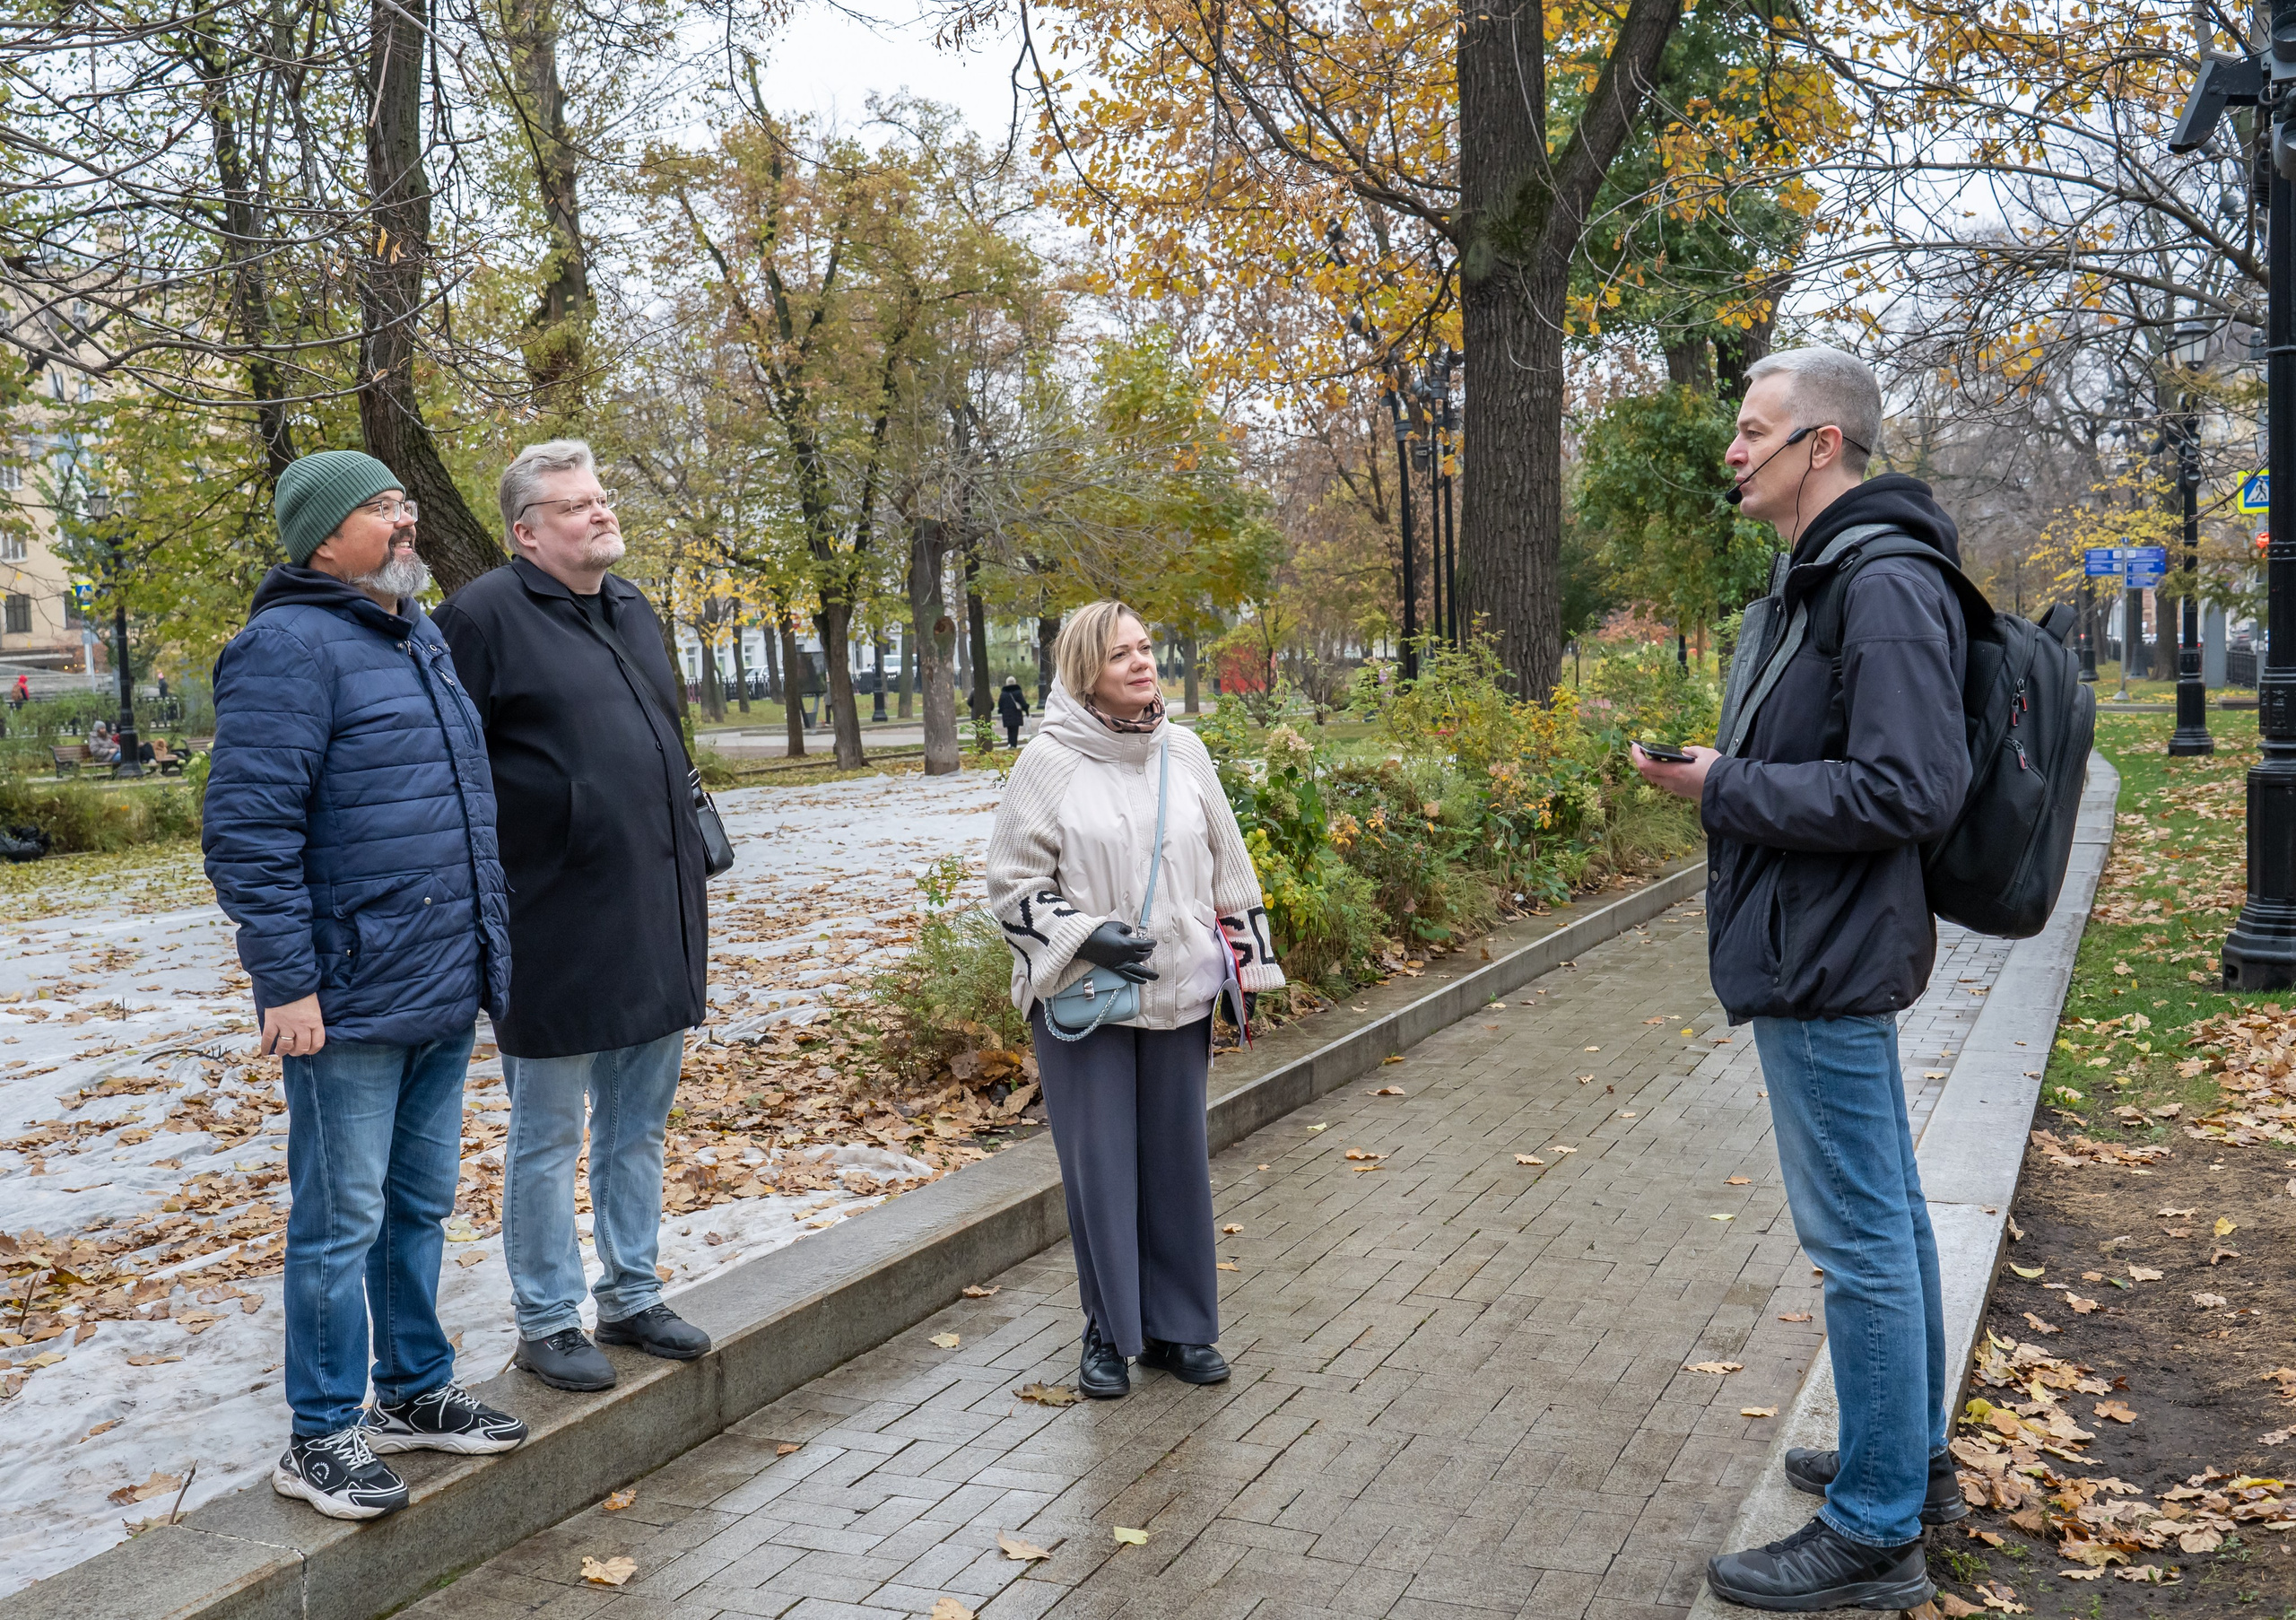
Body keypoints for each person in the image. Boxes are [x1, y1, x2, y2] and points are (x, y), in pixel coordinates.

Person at [1631, 345, 1970, 1613]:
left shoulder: (1876, 585)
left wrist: (1722, 785)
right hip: (1812, 939)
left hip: (1824, 951)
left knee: (1862, 1240)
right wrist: (1726, 767)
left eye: (1751, 428)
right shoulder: (1821, 574)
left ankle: (1877, 1525)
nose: (1733, 448)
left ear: (1818, 445)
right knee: (1887, 1221)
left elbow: (1911, 787)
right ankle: (1909, 1461)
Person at [203, 449, 525, 1521]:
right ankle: (321, 1431)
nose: (407, 521)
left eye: (405, 503)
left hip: (436, 978)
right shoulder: (284, 647)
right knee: (338, 1220)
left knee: (417, 1205)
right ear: (322, 535)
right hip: (343, 996)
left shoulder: (412, 634)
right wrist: (284, 984)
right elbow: (249, 833)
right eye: (384, 508)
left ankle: (414, 1393)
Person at [433, 440, 713, 1393]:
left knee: (638, 1126)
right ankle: (547, 1319)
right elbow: (449, 775)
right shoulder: (480, 618)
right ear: (526, 530)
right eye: (574, 505)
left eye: (601, 497)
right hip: (550, 921)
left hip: (655, 908)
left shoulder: (631, 607)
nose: (600, 513)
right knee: (548, 1135)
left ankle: (630, 1294)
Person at [986, 600, 1283, 1400]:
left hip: (1180, 990)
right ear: (1087, 672)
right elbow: (1010, 886)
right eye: (1122, 656)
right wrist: (1084, 936)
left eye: (1147, 648)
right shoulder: (1048, 763)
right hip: (1087, 1001)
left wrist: (1250, 973)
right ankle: (1108, 1332)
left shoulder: (1183, 752)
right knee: (1103, 1172)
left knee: (1178, 1164)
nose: (1143, 664)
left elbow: (1230, 864)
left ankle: (1180, 1329)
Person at [996, 674, 1030, 748]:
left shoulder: (1003, 693)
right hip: (1016, 714)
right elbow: (1023, 703)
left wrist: (1002, 711)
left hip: (1006, 715)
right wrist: (1026, 711)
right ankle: (1014, 745)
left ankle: (1010, 743)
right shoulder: (1018, 692)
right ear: (1014, 682)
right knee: (1015, 730)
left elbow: (1000, 704)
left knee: (1009, 730)